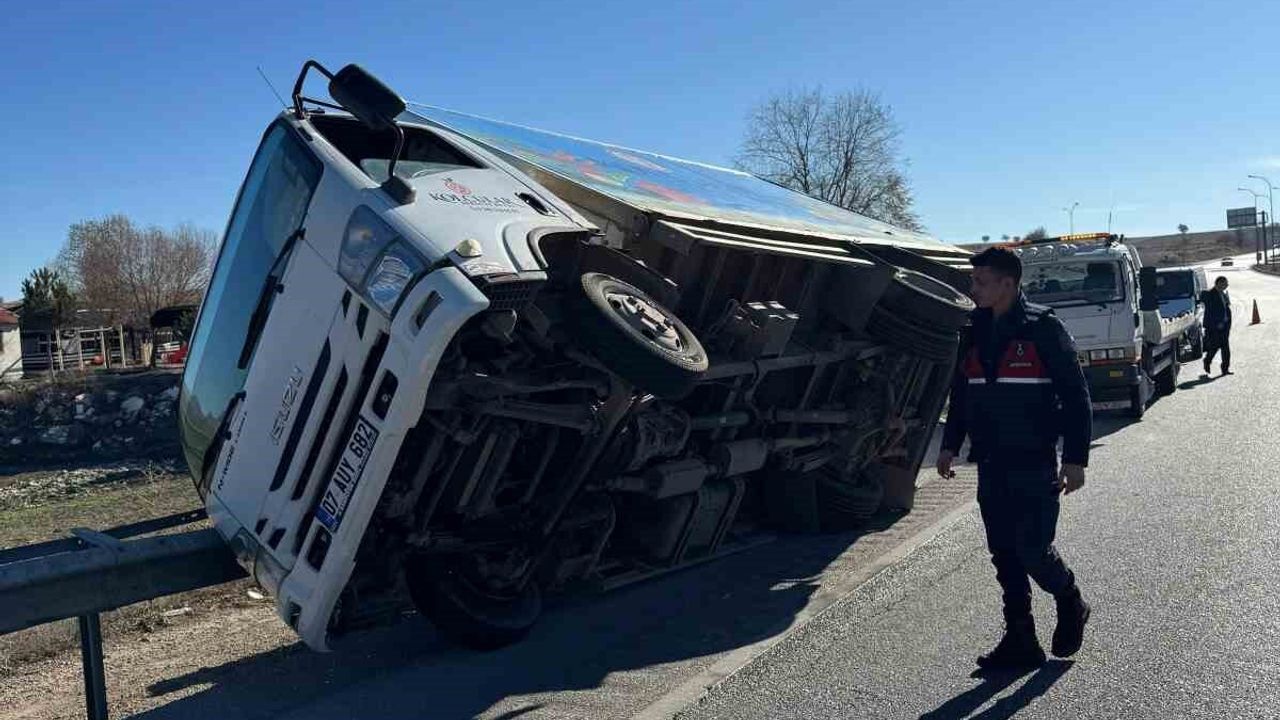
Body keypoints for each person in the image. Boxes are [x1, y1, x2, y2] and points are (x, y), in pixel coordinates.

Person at [936, 246, 1093, 671]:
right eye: (973, 281)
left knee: (1032, 549)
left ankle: (1070, 599)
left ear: (1009, 283)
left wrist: (1075, 458)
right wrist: (950, 444)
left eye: (981, 281)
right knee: (1003, 552)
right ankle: (1021, 638)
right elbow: (962, 391)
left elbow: (1076, 396)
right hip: (990, 461)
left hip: (1034, 460)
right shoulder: (973, 329)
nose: (974, 289)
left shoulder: (1043, 328)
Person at [1200, 276, 1232, 376]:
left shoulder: (1223, 293)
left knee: (1225, 349)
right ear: (1219, 283)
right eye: (1225, 283)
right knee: (1215, 347)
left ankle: (1225, 369)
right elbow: (1210, 312)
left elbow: (1226, 307)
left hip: (1225, 326)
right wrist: (1217, 323)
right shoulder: (1210, 294)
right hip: (1215, 327)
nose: (1227, 285)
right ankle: (1207, 361)